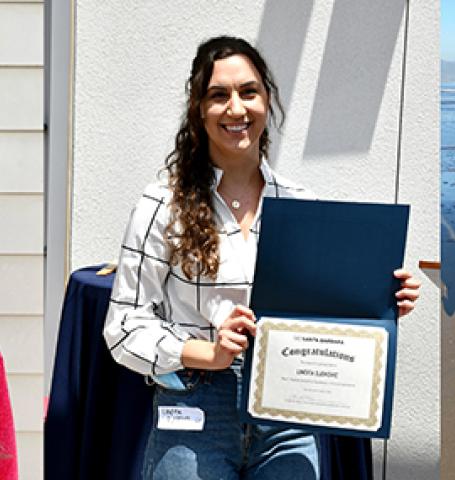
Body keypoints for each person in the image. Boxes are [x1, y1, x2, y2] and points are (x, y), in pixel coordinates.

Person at [103, 35, 421, 480]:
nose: (236, 109)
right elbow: (122, 329)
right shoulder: (162, 204)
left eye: (248, 92)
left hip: (288, 412)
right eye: (219, 95)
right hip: (195, 405)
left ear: (267, 100)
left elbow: (325, 315)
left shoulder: (301, 204)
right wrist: (206, 351)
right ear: (199, 110)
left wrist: (381, 304)